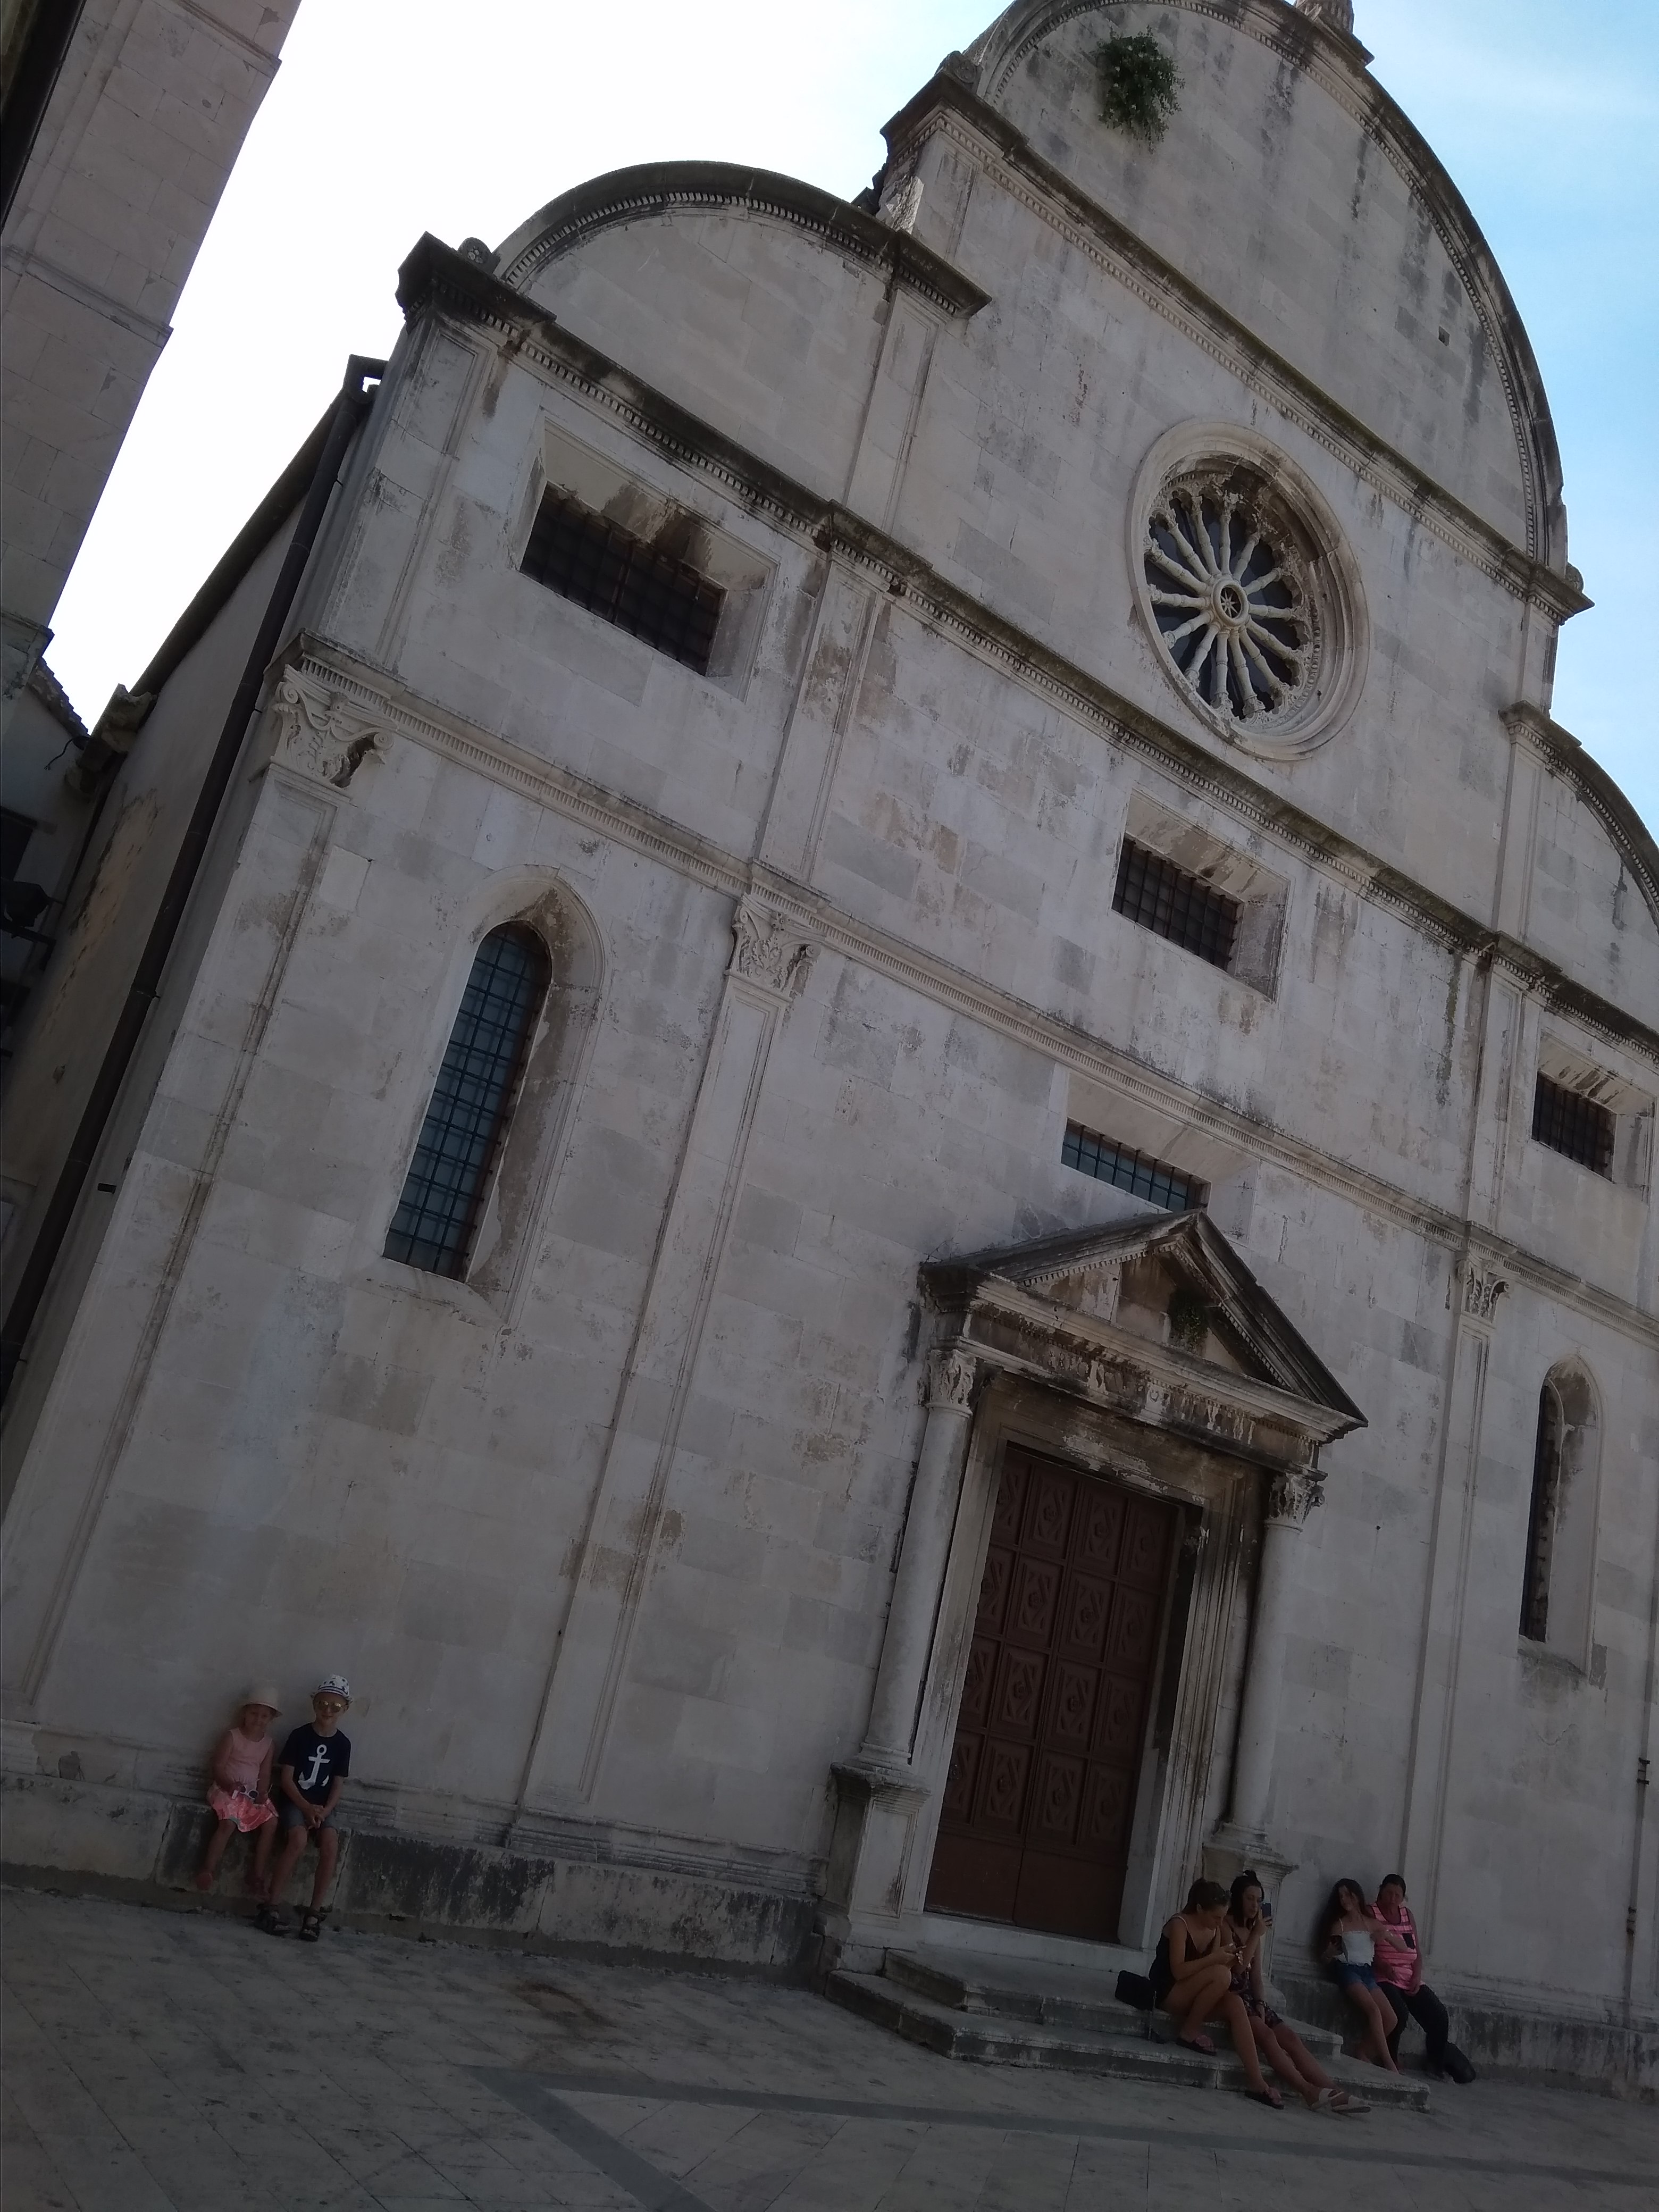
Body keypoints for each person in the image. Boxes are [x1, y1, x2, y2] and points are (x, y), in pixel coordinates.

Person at [1226, 1871, 1368, 2115]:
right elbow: (1238, 1969)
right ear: (1238, 1898)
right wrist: (1256, 1935)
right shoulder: (1226, 1926)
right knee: (1267, 2037)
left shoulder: (1253, 1929)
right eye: (1250, 1899)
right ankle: (1307, 2091)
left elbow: (1256, 1975)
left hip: (1249, 1996)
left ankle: (1334, 2091)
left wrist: (1260, 2002)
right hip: (1230, 1994)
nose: (1255, 1906)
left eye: (1259, 1900)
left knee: (1290, 2037)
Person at [1150, 1878, 1286, 2106]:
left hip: (1194, 1993)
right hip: (1168, 1992)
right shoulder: (1180, 1924)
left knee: (1235, 2003)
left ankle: (1257, 2082)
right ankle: (1189, 2031)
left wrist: (1231, 1960)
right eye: (1216, 1917)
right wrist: (1216, 1959)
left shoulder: (1213, 1930)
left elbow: (1217, 1969)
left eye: (1223, 1918)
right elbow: (1179, 1971)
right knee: (1222, 1975)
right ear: (1200, 1909)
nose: (1220, 1923)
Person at [261, 1675, 352, 1941]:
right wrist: (306, 1807)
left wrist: (324, 1811)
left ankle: (314, 1913)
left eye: (335, 1706)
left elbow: (338, 1784)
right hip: (296, 1801)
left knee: (331, 1843)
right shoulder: (299, 1736)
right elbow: (286, 1779)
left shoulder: (343, 1744)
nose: (328, 1710)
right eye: (323, 1703)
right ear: (314, 1703)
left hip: (323, 1806)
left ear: (345, 1709)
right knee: (298, 1840)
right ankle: (271, 1906)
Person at [1372, 1873, 1464, 2078]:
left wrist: (1417, 1975)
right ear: (1381, 1891)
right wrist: (1383, 1966)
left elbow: (1416, 1952)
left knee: (1439, 2015)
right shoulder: (1372, 1912)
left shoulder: (1407, 1915)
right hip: (1384, 1977)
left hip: (1409, 1977)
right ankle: (1390, 2058)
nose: (1393, 1899)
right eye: (1389, 1893)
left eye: (1397, 1895)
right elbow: (1366, 1949)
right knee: (1399, 2013)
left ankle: (1435, 2062)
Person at [194, 1687, 281, 1896]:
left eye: (264, 1716)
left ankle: (257, 1873)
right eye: (254, 1713)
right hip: (226, 1790)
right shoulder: (232, 1736)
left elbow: (265, 1773)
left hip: (250, 1794)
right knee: (229, 1822)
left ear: (270, 1720)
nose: (258, 1719)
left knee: (271, 1822)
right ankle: (208, 1869)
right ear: (244, 1713)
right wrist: (228, 1784)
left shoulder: (268, 1744)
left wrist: (262, 1793)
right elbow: (218, 1766)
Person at [1317, 1879, 1404, 2072]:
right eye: (1341, 1896)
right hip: (1347, 1970)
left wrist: (1386, 1935)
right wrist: (1329, 1954)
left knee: (1392, 2018)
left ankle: (1363, 2050)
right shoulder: (1339, 1925)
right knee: (1374, 2010)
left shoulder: (1371, 1923)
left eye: (1348, 1895)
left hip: (1367, 1972)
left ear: (1357, 1896)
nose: (1344, 1900)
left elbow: (1403, 1947)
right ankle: (1390, 2063)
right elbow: (1325, 1959)